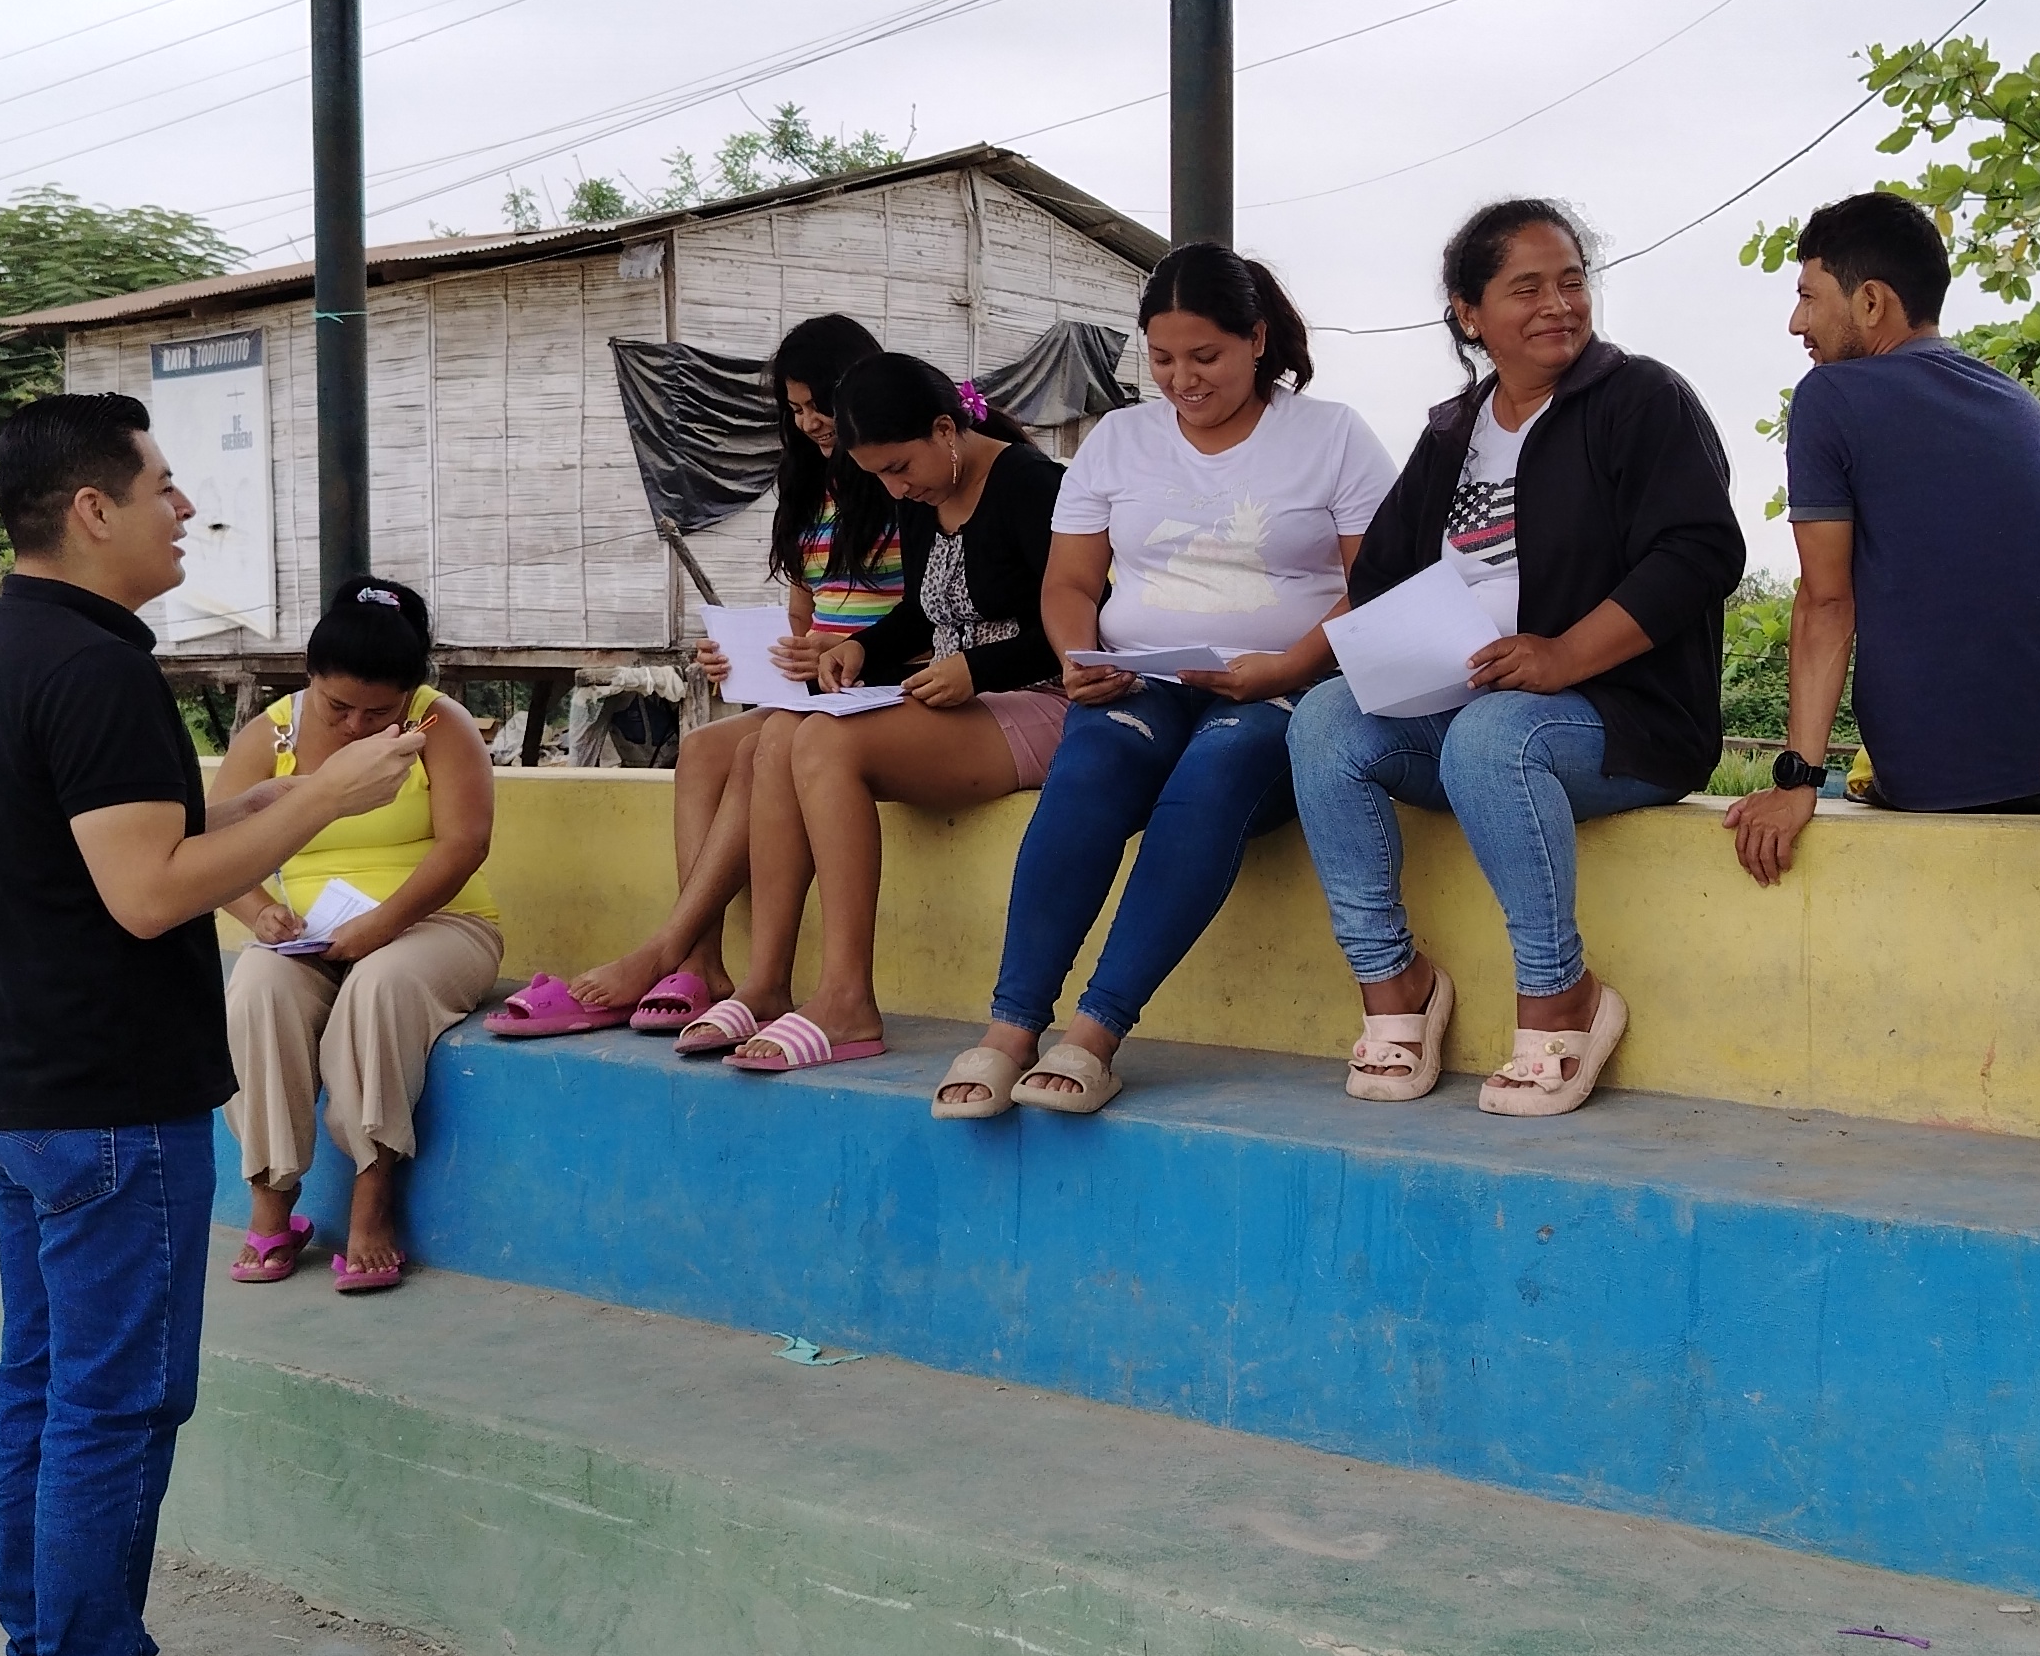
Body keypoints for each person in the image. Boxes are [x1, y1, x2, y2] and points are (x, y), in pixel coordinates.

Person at [0, 393, 425, 1656]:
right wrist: (326, 803)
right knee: (114, 1401)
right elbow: (150, 892)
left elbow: (136, 831)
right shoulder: (93, 668)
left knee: (45, 1386)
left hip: (21, 1088)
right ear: (93, 509)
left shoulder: (11, 649)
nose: (185, 508)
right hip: (104, 1095)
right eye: (162, 486)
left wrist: (280, 794)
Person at [1289, 198, 1744, 1114]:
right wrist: (1397, 658)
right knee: (1325, 723)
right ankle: (1395, 984)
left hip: (1623, 720)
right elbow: (1382, 576)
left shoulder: (1641, 400)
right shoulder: (1453, 431)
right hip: (1467, 714)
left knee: (1495, 736)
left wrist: (1564, 655)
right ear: (1469, 314)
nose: (1558, 305)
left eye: (1572, 282)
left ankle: (1561, 995)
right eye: (1527, 288)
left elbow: (1699, 553)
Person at [936, 245, 1396, 1119]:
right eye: (1163, 359)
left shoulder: (1332, 436)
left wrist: (1291, 665)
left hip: (1282, 687)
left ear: (1256, 339)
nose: (1183, 380)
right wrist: (1077, 657)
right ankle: (1011, 1026)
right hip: (1137, 681)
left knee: (1211, 777)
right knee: (1086, 775)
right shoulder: (1119, 440)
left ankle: (1095, 1033)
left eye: (1206, 356)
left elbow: (1373, 585)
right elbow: (1069, 585)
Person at [482, 316, 898, 1040]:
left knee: (762, 745)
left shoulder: (898, 479)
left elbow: (923, 615)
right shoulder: (810, 486)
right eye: (795, 410)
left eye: (819, 406)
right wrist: (750, 655)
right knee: (704, 749)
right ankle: (702, 963)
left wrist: (846, 650)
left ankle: (664, 948)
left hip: (879, 688)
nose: (810, 424)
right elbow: (805, 620)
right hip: (824, 691)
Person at [1722, 188, 2040, 886]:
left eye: (1809, 297)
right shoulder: (2017, 400)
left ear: (1870, 302)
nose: (1797, 323)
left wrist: (1797, 780)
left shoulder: (1829, 395)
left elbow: (1827, 604)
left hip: (1945, 778)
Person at [675, 353, 1067, 1072]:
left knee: (824, 742)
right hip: (963, 697)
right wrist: (858, 648)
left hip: (1047, 699)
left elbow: (1079, 623)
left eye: (898, 468)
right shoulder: (923, 495)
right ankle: (766, 984)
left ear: (945, 429)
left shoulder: (1033, 485)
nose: (895, 488)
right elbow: (922, 614)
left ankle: (848, 998)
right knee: (781, 735)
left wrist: (979, 668)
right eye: (879, 475)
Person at [210, 576, 500, 1296]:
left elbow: (464, 845)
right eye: (337, 707)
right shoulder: (271, 734)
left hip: (437, 926)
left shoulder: (441, 726)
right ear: (309, 676)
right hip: (314, 936)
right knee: (256, 988)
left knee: (380, 984)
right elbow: (215, 850)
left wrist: (382, 924)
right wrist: (259, 911)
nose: (355, 727)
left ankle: (373, 1192)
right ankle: (271, 1202)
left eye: (379, 713)